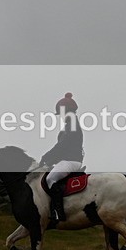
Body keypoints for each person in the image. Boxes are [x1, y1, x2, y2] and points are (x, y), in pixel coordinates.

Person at [40, 92, 84, 222]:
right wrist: (49, 160)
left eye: (62, 113)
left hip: (71, 161)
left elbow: (62, 146)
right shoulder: (69, 126)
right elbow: (62, 148)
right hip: (67, 159)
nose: (61, 116)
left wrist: (46, 156)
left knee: (50, 179)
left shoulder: (73, 125)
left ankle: (58, 213)